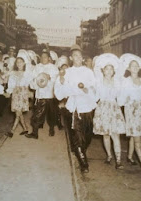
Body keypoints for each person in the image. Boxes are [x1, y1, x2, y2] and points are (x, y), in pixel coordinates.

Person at [54, 44, 97, 173]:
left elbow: (95, 88)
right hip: (75, 108)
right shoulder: (67, 72)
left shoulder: (88, 72)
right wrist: (61, 81)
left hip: (88, 107)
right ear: (71, 58)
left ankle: (80, 150)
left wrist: (87, 89)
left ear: (82, 58)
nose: (78, 58)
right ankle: (84, 164)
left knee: (88, 135)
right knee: (78, 137)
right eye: (75, 56)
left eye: (80, 55)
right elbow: (59, 92)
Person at [93, 53, 126, 169]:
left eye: (111, 69)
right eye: (106, 69)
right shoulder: (99, 82)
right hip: (102, 108)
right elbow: (95, 97)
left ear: (113, 71)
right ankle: (109, 156)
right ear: (103, 70)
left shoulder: (117, 82)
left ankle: (118, 160)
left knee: (115, 135)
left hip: (113, 108)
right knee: (105, 135)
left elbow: (120, 97)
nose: (109, 71)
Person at [118, 54, 141, 174]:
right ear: (129, 69)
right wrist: (129, 101)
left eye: (137, 66)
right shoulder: (125, 82)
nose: (135, 68)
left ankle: (130, 156)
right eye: (133, 66)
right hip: (131, 111)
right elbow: (121, 99)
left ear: (139, 68)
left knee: (134, 134)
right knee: (137, 138)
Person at [26, 49, 59, 139]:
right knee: (37, 114)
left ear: (49, 58)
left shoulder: (53, 67)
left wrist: (50, 77)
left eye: (45, 57)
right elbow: (32, 79)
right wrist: (35, 83)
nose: (43, 58)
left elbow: (57, 79)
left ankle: (51, 128)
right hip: (40, 95)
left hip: (50, 95)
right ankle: (35, 133)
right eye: (42, 57)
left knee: (51, 114)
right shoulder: (37, 67)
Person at [4, 53, 33, 136]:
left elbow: (31, 83)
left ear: (24, 63)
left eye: (20, 62)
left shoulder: (27, 73)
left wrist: (31, 92)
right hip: (16, 93)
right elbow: (11, 85)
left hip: (23, 93)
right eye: (17, 62)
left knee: (18, 112)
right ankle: (25, 128)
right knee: (18, 112)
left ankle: (12, 131)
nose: (19, 64)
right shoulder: (13, 73)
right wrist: (8, 92)